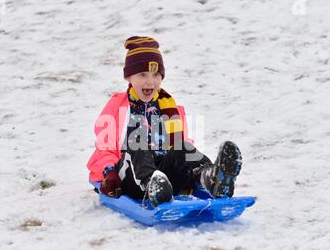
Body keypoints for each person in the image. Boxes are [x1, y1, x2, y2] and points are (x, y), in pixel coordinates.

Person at [87, 36, 242, 207]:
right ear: (129, 77)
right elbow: (104, 146)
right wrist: (109, 172)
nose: (150, 81)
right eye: (142, 74)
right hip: (129, 177)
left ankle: (211, 178)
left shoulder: (169, 106)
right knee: (138, 142)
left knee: (183, 147)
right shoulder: (118, 105)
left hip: (167, 178)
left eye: (156, 75)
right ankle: (153, 184)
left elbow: (182, 145)